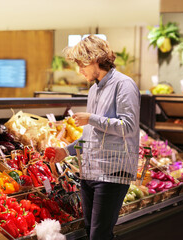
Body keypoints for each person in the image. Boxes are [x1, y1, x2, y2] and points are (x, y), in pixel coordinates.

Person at [51, 35, 140, 240]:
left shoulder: (124, 85)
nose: (79, 70)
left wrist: (91, 118)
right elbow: (92, 135)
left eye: (81, 64)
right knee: (92, 231)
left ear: (95, 59)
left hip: (113, 173)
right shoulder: (93, 90)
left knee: (99, 235)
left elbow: (128, 127)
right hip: (90, 172)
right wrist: (67, 150)